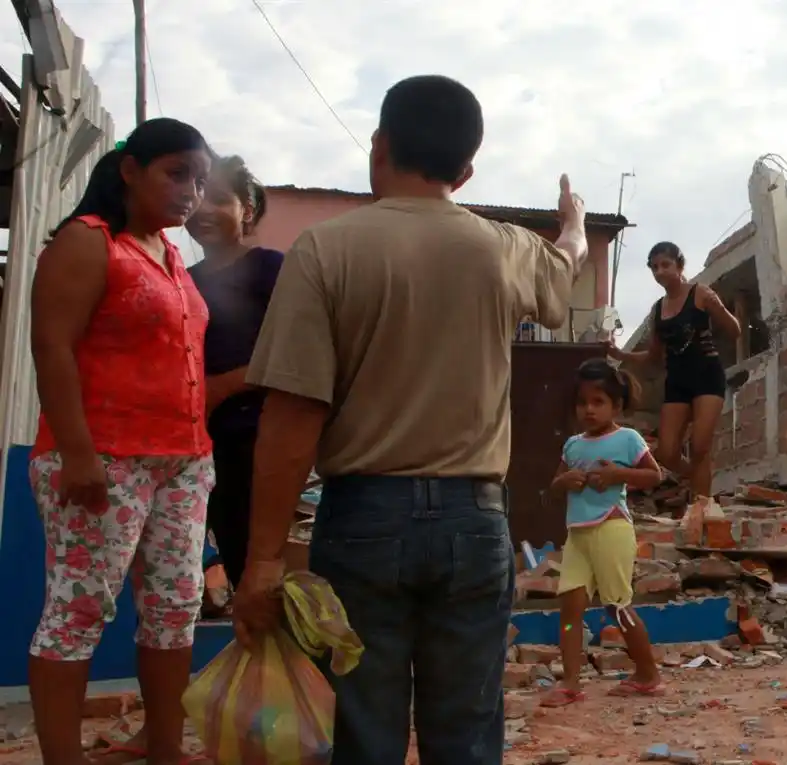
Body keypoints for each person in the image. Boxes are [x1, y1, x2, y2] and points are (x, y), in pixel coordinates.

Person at [231, 75, 590, 765]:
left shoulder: (324, 250)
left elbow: (292, 414)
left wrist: (265, 561)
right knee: (466, 733)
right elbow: (567, 263)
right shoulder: (501, 248)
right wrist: (572, 220)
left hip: (363, 519)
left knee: (364, 730)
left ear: (380, 146)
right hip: (474, 518)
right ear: (466, 170)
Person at [28, 118, 215, 765]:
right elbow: (51, 345)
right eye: (177, 173)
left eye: (199, 180)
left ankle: (164, 746)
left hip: (183, 460)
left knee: (175, 606)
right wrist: (77, 452)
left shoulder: (170, 255)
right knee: (79, 609)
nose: (190, 192)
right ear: (130, 169)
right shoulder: (87, 242)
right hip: (102, 456)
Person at [540, 359, 664, 708]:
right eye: (582, 403)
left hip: (611, 528)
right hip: (578, 535)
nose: (589, 410)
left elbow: (654, 476)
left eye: (598, 403)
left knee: (617, 606)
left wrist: (618, 476)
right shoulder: (572, 446)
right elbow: (554, 485)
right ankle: (570, 682)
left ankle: (648, 673)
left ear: (616, 405)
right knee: (570, 611)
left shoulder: (627, 439)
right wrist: (564, 482)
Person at [186, 155, 283, 589]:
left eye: (219, 199)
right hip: (199, 448)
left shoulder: (271, 270)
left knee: (265, 575)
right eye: (197, 196)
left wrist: (219, 389)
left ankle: (283, 658)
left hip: (261, 443)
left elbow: (296, 354)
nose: (203, 209)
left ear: (247, 209)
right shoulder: (181, 279)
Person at [607, 242, 739, 518]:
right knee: (667, 453)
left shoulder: (700, 293)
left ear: (680, 266)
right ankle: (699, 483)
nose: (659, 272)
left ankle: (702, 510)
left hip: (707, 375)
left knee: (701, 446)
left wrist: (717, 306)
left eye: (665, 265)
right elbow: (654, 356)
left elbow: (735, 330)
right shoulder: (658, 310)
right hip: (677, 381)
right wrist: (621, 354)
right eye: (654, 267)